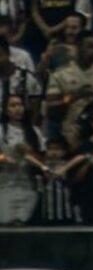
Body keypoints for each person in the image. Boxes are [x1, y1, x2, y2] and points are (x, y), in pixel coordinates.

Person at [0, 93, 42, 225]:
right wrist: (4, 159)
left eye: (20, 105)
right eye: (13, 105)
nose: (18, 108)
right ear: (6, 109)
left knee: (22, 221)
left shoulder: (34, 132)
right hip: (5, 184)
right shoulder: (1, 130)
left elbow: (41, 160)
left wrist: (28, 151)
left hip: (27, 185)